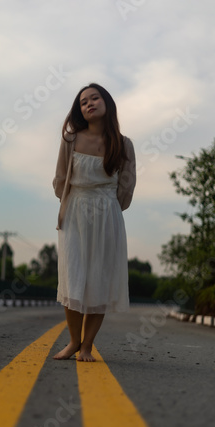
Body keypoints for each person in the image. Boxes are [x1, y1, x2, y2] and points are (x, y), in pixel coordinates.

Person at [52, 83, 136, 362]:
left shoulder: (123, 144)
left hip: (108, 215)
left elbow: (126, 186)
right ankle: (74, 341)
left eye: (94, 98)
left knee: (99, 279)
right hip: (75, 211)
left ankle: (87, 346)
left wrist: (108, 207)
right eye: (83, 102)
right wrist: (76, 201)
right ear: (79, 110)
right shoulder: (70, 139)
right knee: (73, 277)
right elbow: (60, 180)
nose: (88, 103)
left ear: (106, 102)